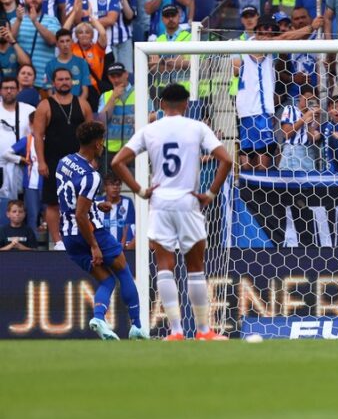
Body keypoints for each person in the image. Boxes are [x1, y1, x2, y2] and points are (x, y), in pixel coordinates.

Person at [111, 83, 234, 341]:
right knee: (196, 267)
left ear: (162, 105)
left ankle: (176, 332)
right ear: (187, 104)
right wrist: (210, 194)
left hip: (161, 203)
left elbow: (117, 161)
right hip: (188, 202)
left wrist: (140, 190)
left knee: (165, 266)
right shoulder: (197, 127)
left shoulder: (150, 130)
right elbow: (226, 159)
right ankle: (203, 331)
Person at [55, 121, 146, 340]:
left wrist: (95, 205)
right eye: (102, 141)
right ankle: (137, 327)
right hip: (91, 232)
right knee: (123, 271)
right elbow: (80, 215)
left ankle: (99, 318)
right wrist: (95, 245)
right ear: (97, 144)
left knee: (107, 280)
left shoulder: (64, 161)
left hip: (68, 235)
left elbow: (71, 201)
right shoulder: (91, 175)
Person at [34, 67, 93, 249]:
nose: (64, 82)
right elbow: (38, 135)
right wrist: (41, 161)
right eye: (60, 79)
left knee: (82, 202)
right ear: (54, 82)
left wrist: (92, 159)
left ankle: (81, 237)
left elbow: (92, 133)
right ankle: (58, 241)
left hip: (79, 162)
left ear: (72, 81)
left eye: (67, 79)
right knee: (53, 203)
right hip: (53, 162)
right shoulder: (45, 105)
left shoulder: (83, 104)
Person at [0, 74, 33, 212]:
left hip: (23, 165)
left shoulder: (29, 110)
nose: (9, 91)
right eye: (5, 88)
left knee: (21, 204)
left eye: (12, 88)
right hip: (0, 164)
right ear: (0, 90)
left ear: (18, 89)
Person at [97, 172, 135, 250]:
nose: (115, 187)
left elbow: (129, 225)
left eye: (117, 185)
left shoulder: (127, 202)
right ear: (105, 187)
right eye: (111, 184)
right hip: (101, 248)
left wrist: (123, 245)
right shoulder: (98, 203)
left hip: (122, 248)